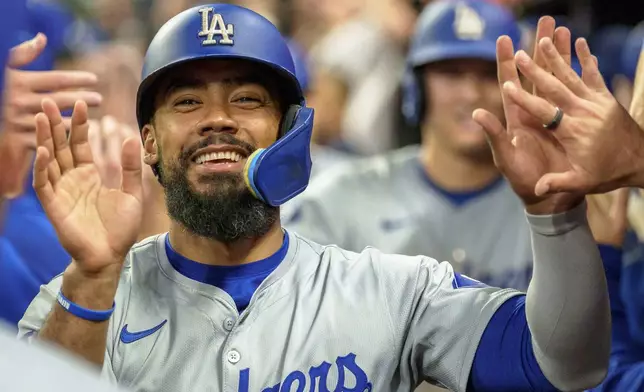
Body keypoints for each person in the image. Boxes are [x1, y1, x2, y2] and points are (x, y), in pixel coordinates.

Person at [19, 4, 610, 392]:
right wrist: (94, 277)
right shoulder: (81, 301)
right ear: (149, 140)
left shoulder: (391, 290)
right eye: (187, 102)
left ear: (289, 132)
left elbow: (564, 366)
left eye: (248, 99)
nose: (217, 120)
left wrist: (554, 218)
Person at [284, 0, 539, 289]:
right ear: (415, 87)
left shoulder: (547, 202)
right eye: (451, 73)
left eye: (488, 74)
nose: (470, 93)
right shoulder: (340, 199)